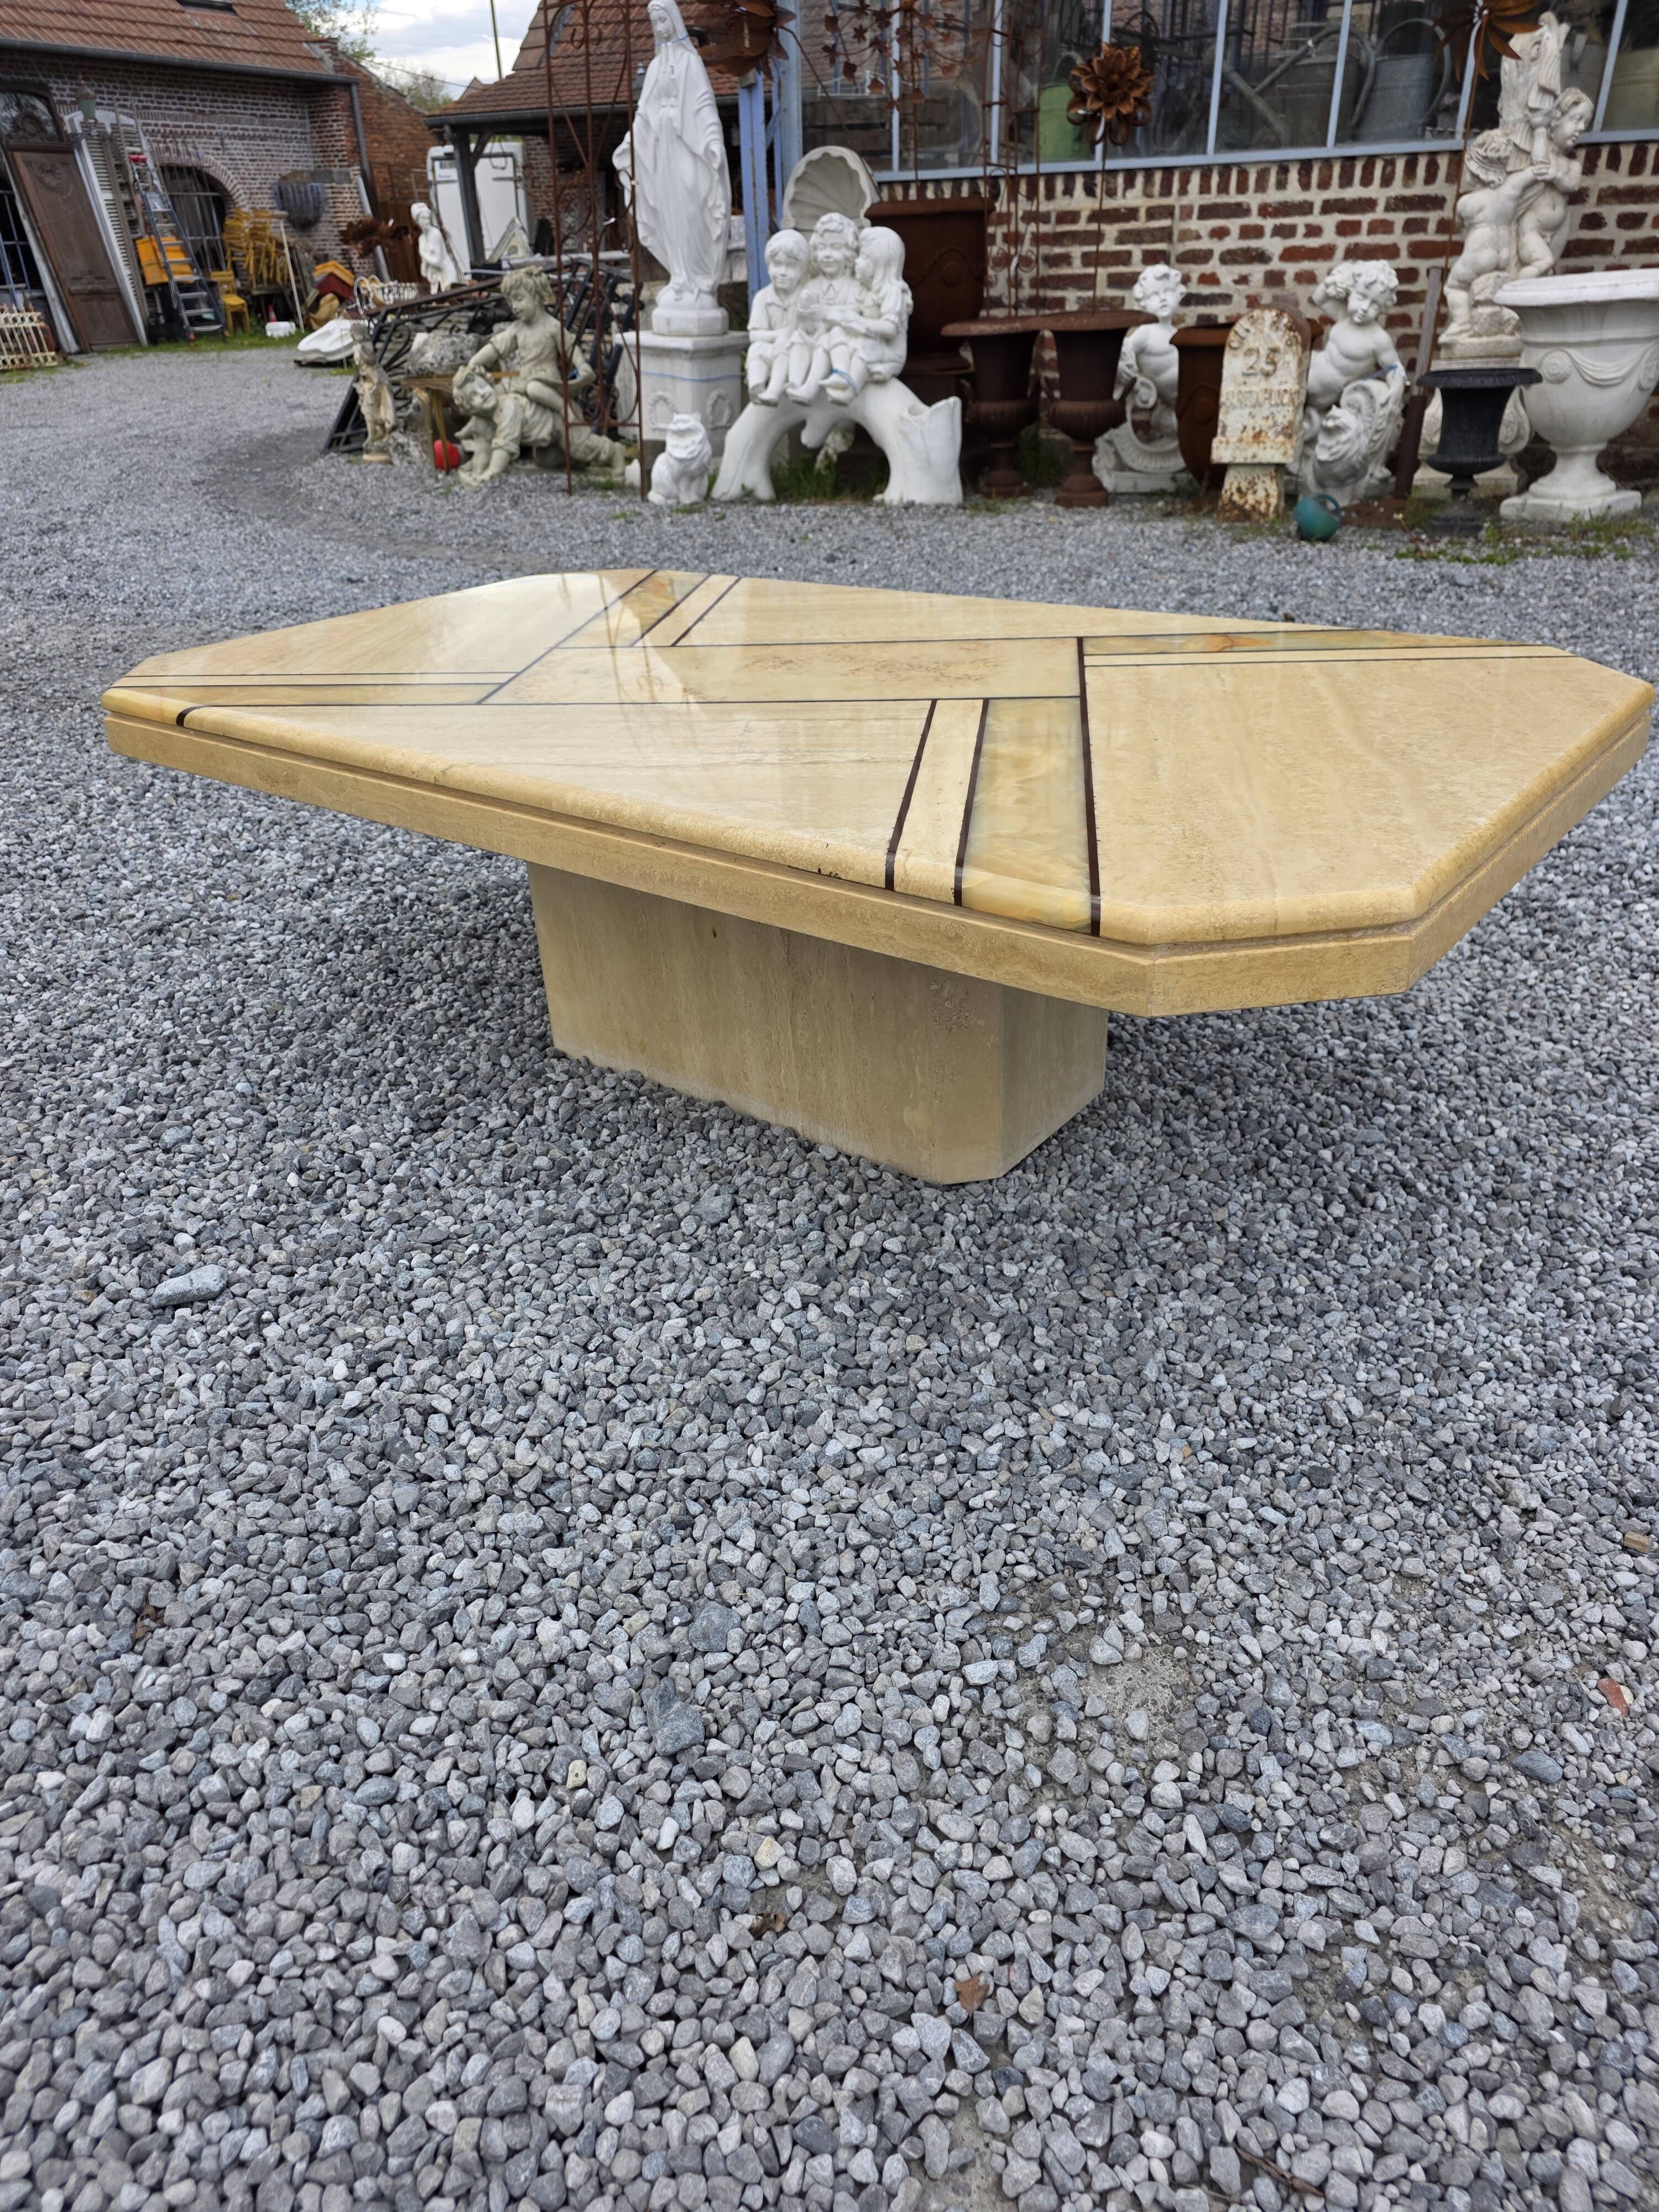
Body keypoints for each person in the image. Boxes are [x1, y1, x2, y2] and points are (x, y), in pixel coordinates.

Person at [613, 0, 731, 331]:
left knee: (692, 209)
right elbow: (644, 114)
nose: (660, 27)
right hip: (662, 150)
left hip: (687, 147)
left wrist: (711, 141)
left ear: (674, 21)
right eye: (655, 22)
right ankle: (680, 276)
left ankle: (699, 279)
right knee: (668, 214)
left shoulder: (691, 65)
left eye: (663, 20)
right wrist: (630, 144)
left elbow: (704, 105)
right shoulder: (653, 68)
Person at [745, 229, 809, 405]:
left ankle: (774, 389)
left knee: (786, 346)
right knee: (757, 349)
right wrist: (778, 335)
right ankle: (757, 387)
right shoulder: (762, 298)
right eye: (777, 265)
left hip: (798, 352)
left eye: (790, 266)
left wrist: (786, 337)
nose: (782, 272)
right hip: (773, 345)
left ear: (803, 270)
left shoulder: (805, 296)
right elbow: (754, 335)